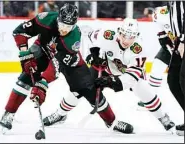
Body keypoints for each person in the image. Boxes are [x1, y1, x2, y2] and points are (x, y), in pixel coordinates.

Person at [0, 3, 133, 134]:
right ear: (58, 18)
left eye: (69, 26)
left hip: (72, 64)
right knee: (26, 77)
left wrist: (43, 83)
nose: (64, 29)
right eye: (62, 24)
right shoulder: (44, 19)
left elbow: (57, 64)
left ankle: (112, 122)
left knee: (90, 91)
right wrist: (25, 54)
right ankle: (9, 113)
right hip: (43, 50)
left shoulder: (73, 38)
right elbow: (20, 31)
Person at [43, 18, 175, 132]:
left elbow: (131, 76)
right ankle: (60, 114)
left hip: (126, 74)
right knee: (79, 87)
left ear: (136, 36)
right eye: (124, 35)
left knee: (144, 92)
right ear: (119, 31)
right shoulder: (107, 35)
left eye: (131, 37)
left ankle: (163, 117)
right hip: (104, 66)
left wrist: (111, 81)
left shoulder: (139, 49)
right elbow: (89, 36)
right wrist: (93, 54)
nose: (126, 40)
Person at [167, 1, 185, 136]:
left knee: (183, 79)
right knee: (173, 80)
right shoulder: (171, 2)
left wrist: (183, 41)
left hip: (183, 41)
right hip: (179, 41)